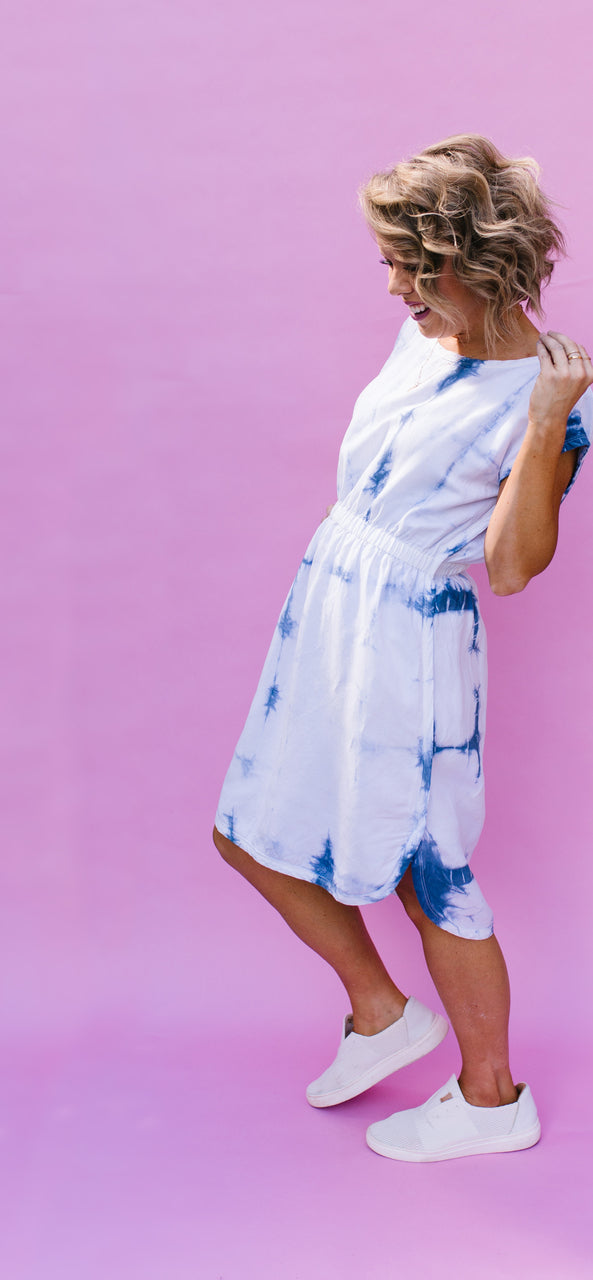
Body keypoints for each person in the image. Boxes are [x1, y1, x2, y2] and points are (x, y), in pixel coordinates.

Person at [212, 135, 593, 1162]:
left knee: (429, 871)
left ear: (476, 261)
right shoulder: (422, 335)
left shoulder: (553, 394)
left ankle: (488, 1096)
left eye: (409, 267)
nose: (389, 285)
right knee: (245, 827)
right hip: (331, 603)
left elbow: (511, 565)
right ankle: (381, 1011)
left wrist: (546, 420)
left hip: (412, 637)